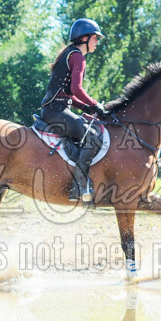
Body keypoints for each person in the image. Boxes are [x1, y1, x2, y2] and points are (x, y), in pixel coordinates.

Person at [41, 18, 108, 202]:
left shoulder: (70, 54)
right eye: (96, 38)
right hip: (56, 111)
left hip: (55, 109)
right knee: (92, 136)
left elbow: (69, 94)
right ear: (85, 38)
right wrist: (96, 104)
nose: (97, 42)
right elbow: (77, 89)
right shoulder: (77, 56)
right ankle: (77, 187)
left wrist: (87, 108)